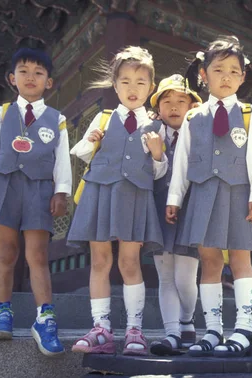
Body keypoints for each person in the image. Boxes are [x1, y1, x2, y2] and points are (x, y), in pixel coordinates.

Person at [166, 35, 252, 358]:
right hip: (201, 195)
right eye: (218, 69)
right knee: (209, 262)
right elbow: (182, 162)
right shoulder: (193, 118)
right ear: (203, 74)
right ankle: (213, 330)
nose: (225, 77)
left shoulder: (251, 114)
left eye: (233, 71)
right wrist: (174, 198)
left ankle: (245, 329)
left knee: (240, 260)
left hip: (239, 195)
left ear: (243, 76)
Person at [0, 47, 71, 356]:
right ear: (12, 78)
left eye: (38, 73)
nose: (31, 77)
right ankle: (4, 313)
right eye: (24, 71)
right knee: (6, 252)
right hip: (4, 186)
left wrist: (61, 190)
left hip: (40, 190)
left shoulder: (57, 119)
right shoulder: (0, 114)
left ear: (49, 82)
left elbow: (62, 159)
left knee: (38, 254)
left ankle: (45, 317)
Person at [68, 46, 166, 356]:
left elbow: (159, 170)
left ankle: (135, 330)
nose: (132, 88)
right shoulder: (104, 116)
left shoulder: (154, 124)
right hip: (100, 192)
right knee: (100, 261)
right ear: (115, 85)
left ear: (150, 87)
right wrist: (90, 140)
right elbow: (81, 153)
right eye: (125, 81)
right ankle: (101, 329)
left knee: (129, 261)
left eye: (140, 82)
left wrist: (157, 152)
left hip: (135, 195)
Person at [147, 74, 203, 356]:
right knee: (165, 276)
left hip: (189, 211)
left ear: (192, 106)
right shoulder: (151, 134)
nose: (173, 106)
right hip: (159, 209)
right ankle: (170, 333)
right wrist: (157, 156)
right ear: (158, 109)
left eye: (181, 100)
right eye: (166, 101)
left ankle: (187, 320)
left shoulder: (200, 133)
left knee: (184, 277)